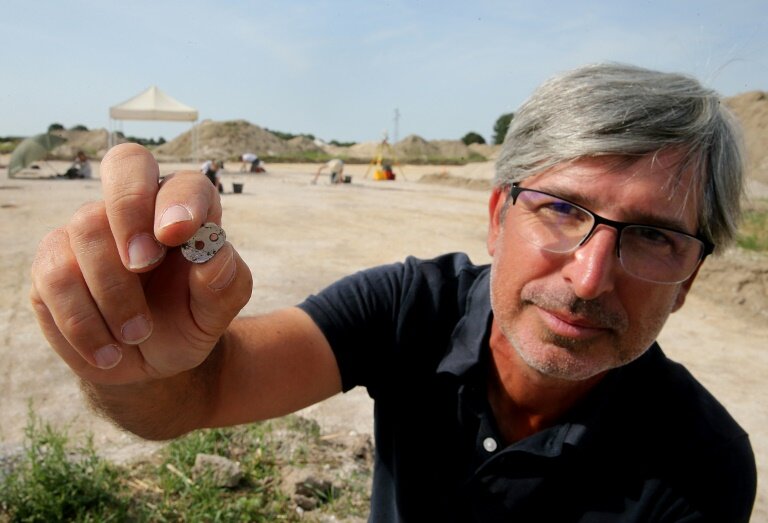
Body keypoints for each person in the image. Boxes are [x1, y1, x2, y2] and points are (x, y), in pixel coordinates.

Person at [30, 63, 756, 521]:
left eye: (653, 237)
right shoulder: (412, 308)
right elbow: (203, 392)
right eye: (563, 209)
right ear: (498, 218)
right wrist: (134, 361)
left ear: (689, 279)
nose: (590, 277)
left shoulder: (703, 463)